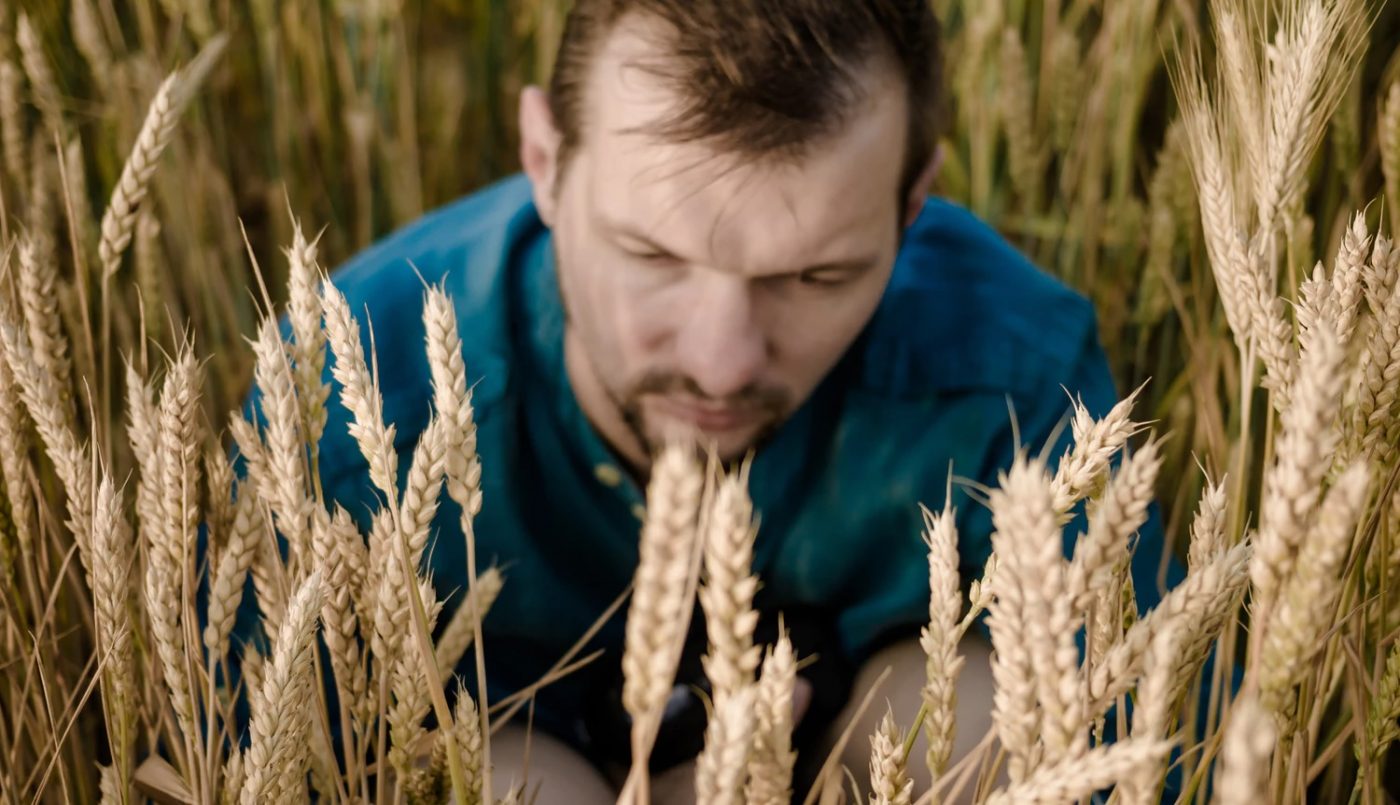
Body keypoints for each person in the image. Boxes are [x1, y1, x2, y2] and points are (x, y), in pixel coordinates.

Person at [302, 1, 1179, 801]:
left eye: (815, 275)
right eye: (650, 257)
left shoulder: (1013, 381)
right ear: (544, 160)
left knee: (987, 714)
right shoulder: (344, 414)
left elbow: (1146, 739)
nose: (722, 364)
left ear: (913, 204)